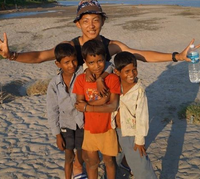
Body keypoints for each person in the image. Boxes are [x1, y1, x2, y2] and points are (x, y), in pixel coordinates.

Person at [0, 0, 197, 66]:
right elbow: (40, 56)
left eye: (96, 20)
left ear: (103, 22)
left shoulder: (111, 45)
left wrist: (177, 56)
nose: (91, 25)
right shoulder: (71, 46)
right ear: (78, 24)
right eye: (85, 21)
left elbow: (140, 54)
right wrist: (12, 55)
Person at [73, 39, 121, 179]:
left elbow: (113, 106)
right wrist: (101, 102)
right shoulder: (82, 79)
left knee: (109, 161)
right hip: (89, 130)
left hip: (108, 129)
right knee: (92, 162)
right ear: (85, 62)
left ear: (105, 58)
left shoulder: (112, 79)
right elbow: (79, 105)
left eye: (100, 61)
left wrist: (89, 107)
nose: (97, 66)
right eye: (91, 63)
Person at [113, 51, 157, 179]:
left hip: (131, 134)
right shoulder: (114, 85)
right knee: (112, 161)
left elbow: (142, 118)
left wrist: (140, 140)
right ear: (117, 72)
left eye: (134, 70)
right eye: (127, 71)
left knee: (141, 165)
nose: (131, 74)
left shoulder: (139, 91)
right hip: (114, 131)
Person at [46, 43, 87, 179]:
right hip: (65, 125)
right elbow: (52, 110)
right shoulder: (54, 84)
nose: (72, 65)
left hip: (82, 122)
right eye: (66, 62)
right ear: (58, 64)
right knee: (68, 155)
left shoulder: (83, 73)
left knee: (81, 153)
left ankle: (79, 167)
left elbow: (106, 66)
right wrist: (57, 135)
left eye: (74, 60)